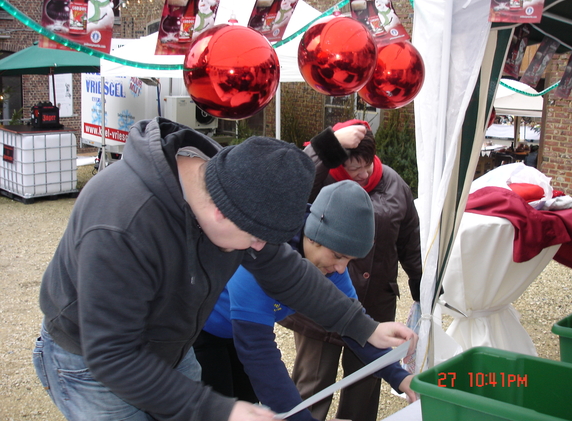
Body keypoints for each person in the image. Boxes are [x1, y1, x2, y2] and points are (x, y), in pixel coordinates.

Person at [32, 117, 416, 421]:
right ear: (220, 212)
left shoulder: (231, 187)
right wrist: (219, 409)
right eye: (253, 239)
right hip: (88, 361)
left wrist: (364, 327)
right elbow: (112, 354)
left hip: (170, 344)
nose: (258, 250)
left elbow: (286, 270)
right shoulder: (122, 223)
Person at [194, 180, 417, 421]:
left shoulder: (332, 268)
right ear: (313, 237)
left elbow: (356, 329)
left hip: (238, 332)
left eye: (350, 261)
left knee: (248, 403)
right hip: (203, 329)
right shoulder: (260, 256)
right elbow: (258, 351)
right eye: (339, 256)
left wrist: (399, 376)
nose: (342, 269)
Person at [280, 119, 422, 421]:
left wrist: (420, 285)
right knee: (313, 384)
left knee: (364, 385)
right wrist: (327, 143)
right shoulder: (318, 184)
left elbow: (411, 242)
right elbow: (289, 179)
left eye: (367, 164)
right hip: (317, 310)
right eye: (354, 168)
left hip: (374, 301)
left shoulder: (396, 186)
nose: (364, 173)